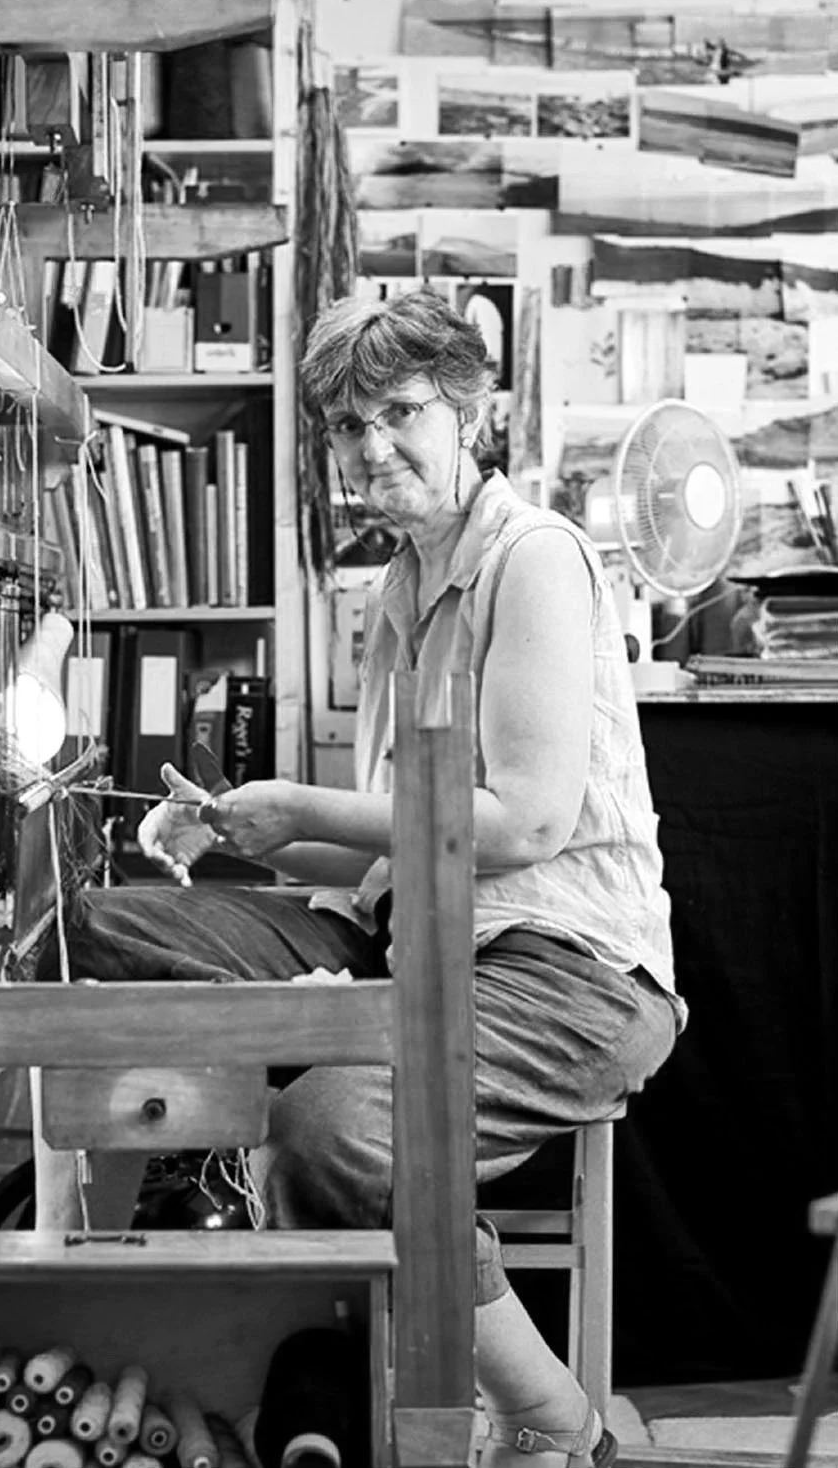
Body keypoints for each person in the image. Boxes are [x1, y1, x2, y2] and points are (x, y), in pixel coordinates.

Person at [37, 289, 685, 1468]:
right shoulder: (396, 592)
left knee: (331, 1130)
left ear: (465, 413)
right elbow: (392, 839)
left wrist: (304, 806)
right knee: (100, 926)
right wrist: (245, 830)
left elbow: (525, 819)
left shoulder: (531, 558)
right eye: (346, 424)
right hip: (408, 936)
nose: (371, 445)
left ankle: (551, 1415)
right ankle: (212, 1198)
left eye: (398, 412)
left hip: (561, 970)